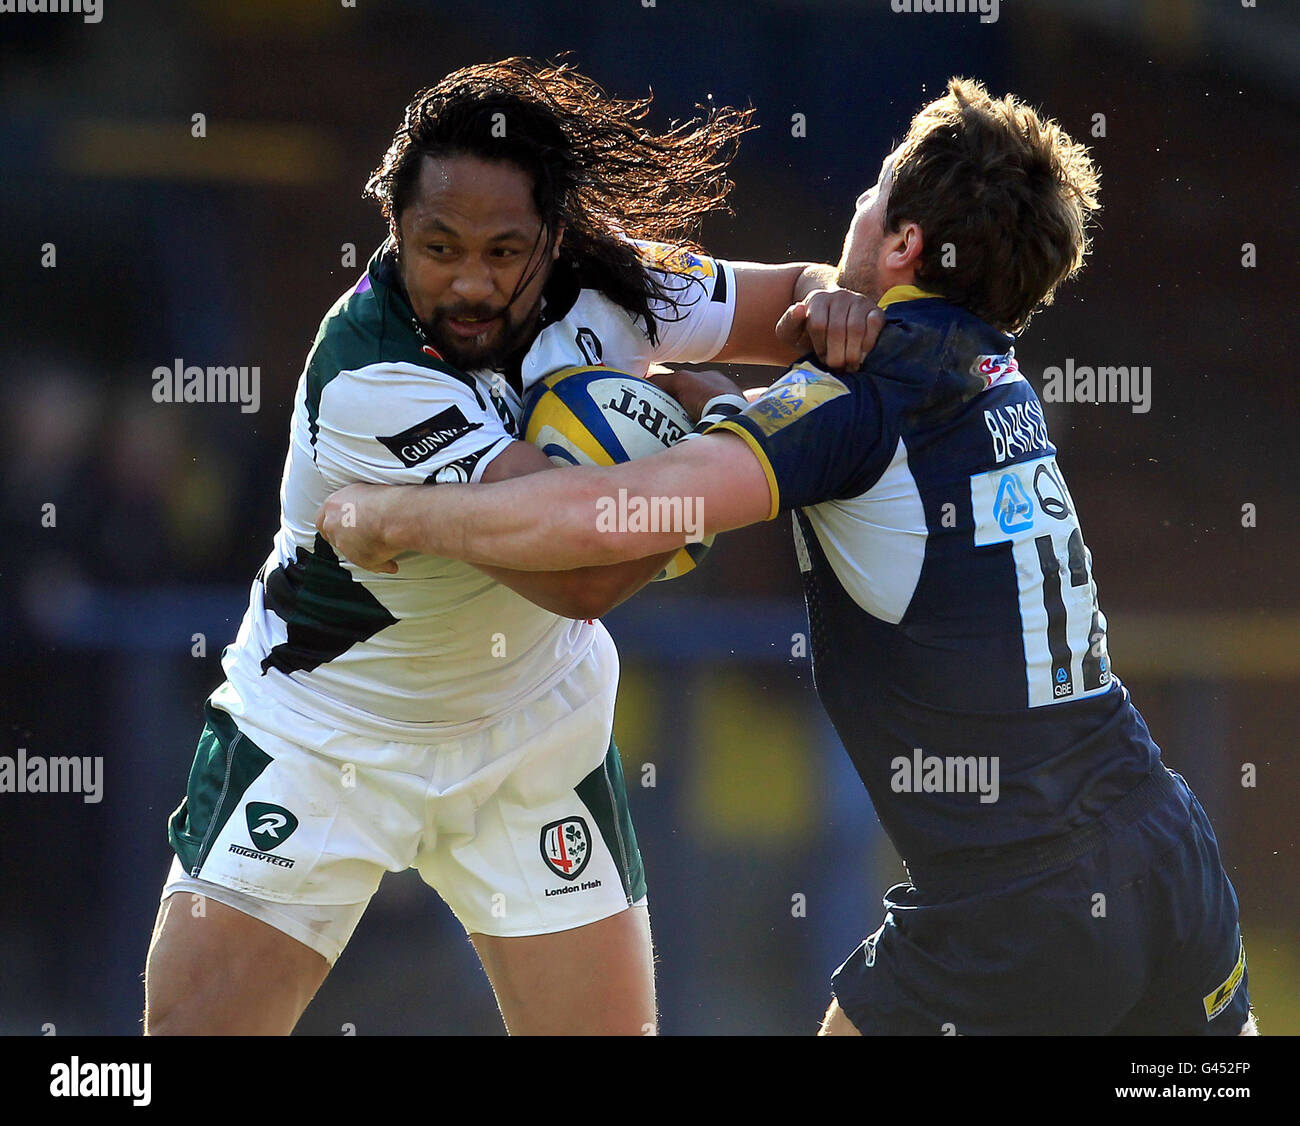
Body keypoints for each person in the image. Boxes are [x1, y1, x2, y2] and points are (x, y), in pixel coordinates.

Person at [318, 77, 1257, 1036]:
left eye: (871, 194)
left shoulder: (858, 398)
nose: (851, 211)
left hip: (1013, 903)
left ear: (902, 245)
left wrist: (398, 518)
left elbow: (605, 522)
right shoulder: (998, 380)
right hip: (1169, 851)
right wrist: (720, 399)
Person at [142, 57, 878, 1036]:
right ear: (393, 229)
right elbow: (573, 571)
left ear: (557, 238)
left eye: (504, 250)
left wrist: (834, 299)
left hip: (530, 731)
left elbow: (788, 297)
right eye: (437, 246)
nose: (470, 281)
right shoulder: (368, 373)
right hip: (322, 730)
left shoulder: (610, 279)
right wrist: (719, 451)